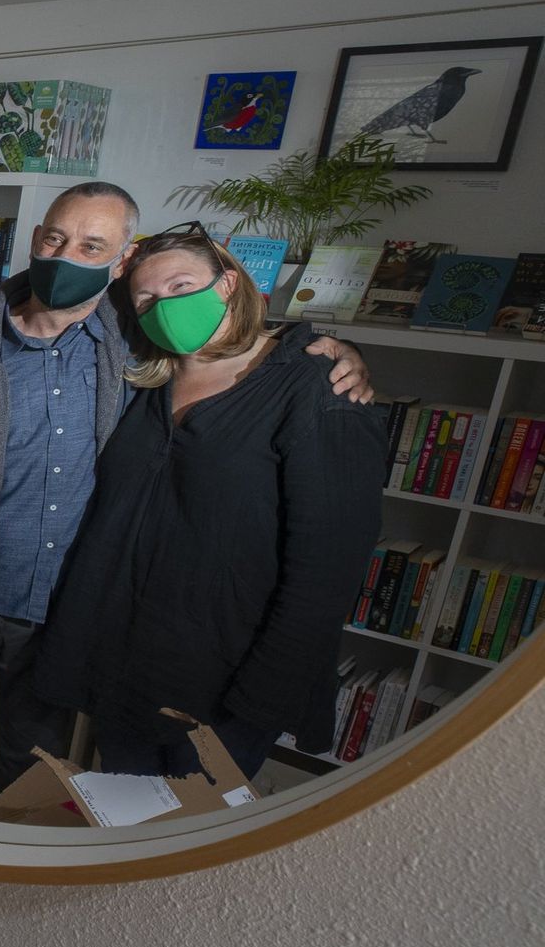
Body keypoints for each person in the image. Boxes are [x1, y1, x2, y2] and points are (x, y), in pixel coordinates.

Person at [0, 182, 373, 813]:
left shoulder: (133, 348)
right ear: (36, 240)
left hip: (68, 609)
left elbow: (240, 350)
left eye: (92, 246)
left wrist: (342, 350)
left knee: (35, 758)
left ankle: (5, 858)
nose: (67, 256)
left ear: (117, 262)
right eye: (55, 238)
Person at [33, 223, 387, 778]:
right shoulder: (143, 381)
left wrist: (260, 698)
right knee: (121, 831)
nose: (164, 305)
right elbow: (45, 297)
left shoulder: (317, 391)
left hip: (226, 684)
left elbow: (328, 569)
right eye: (147, 296)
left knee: (186, 843)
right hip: (124, 665)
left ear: (226, 284)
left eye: (181, 286)